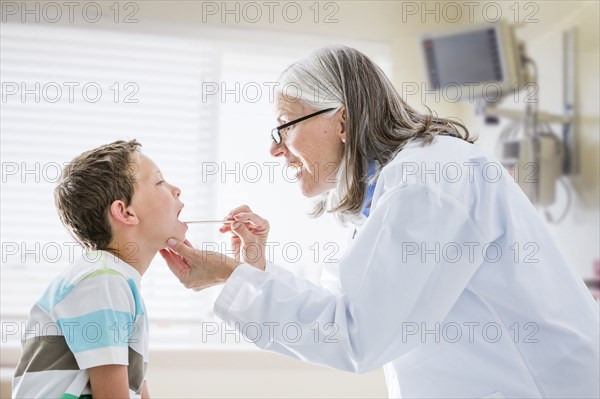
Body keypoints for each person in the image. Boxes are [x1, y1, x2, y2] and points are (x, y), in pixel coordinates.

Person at [161, 46, 600, 398]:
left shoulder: (427, 183)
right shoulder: (393, 189)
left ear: (343, 119)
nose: (275, 150)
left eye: (284, 126)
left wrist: (229, 275)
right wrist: (251, 271)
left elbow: (359, 335)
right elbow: (344, 302)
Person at [13, 140, 187, 398]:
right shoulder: (102, 280)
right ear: (125, 212)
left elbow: (135, 385)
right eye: (160, 182)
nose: (176, 190)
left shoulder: (113, 279)